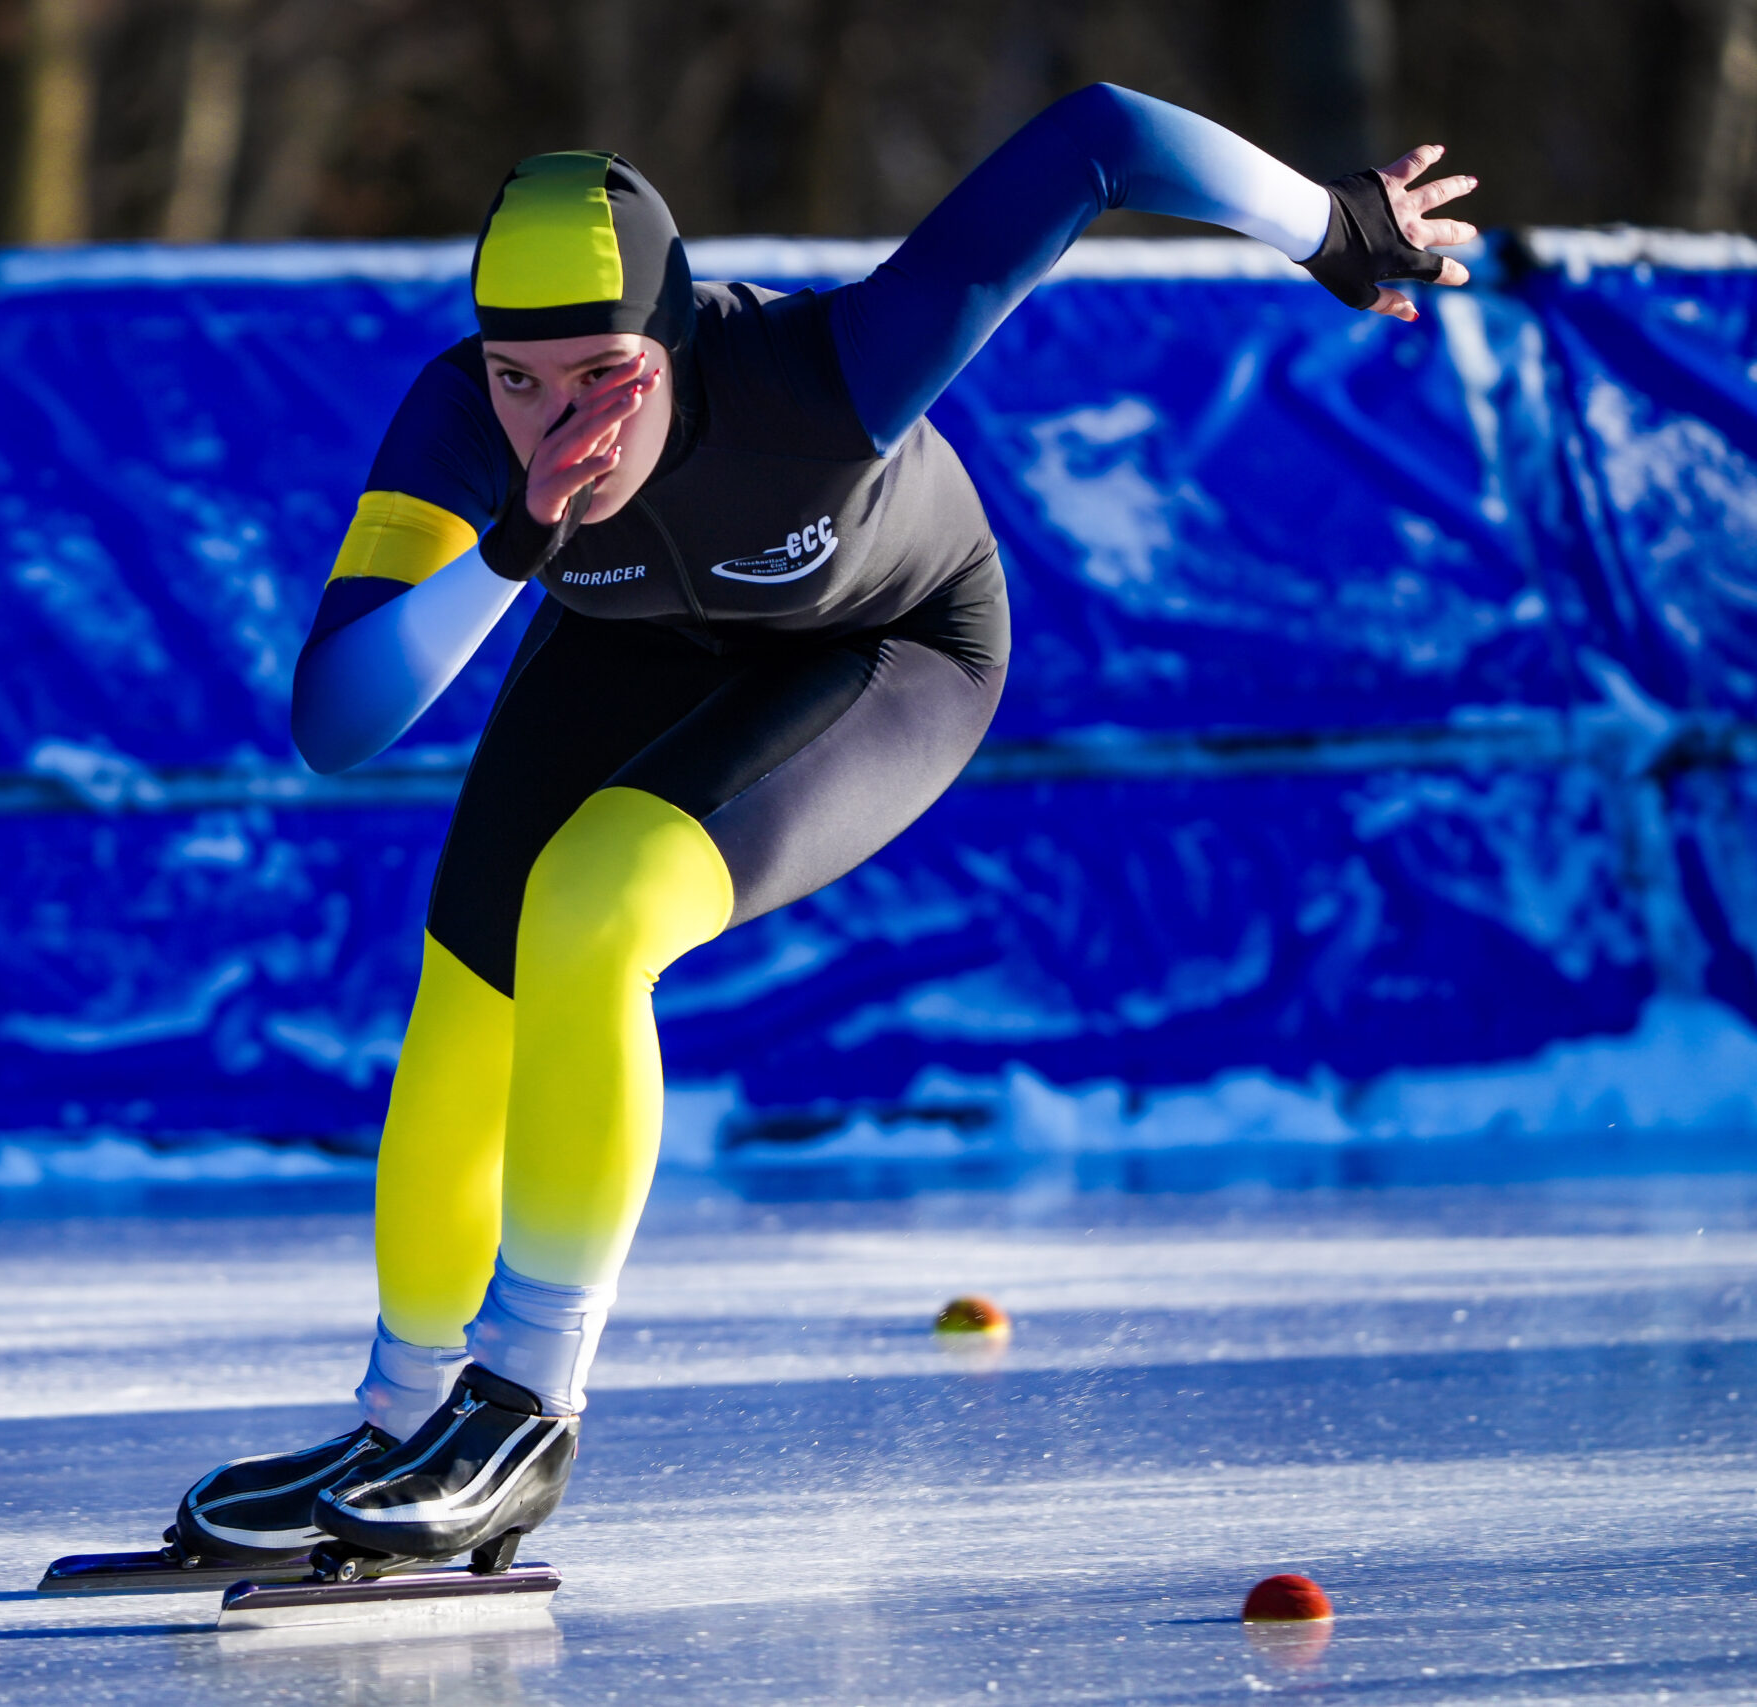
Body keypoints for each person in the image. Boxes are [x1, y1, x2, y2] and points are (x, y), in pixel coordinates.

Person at [173, 83, 1476, 1573]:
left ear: (675, 343)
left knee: (591, 908)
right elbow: (337, 722)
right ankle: (402, 1417)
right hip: (625, 641)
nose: (560, 416)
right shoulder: (462, 423)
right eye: (518, 380)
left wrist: (1334, 226)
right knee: (470, 982)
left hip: (883, 647)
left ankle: (525, 1405)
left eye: (602, 371)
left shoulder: (830, 371)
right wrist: (515, 545)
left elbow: (1098, 139)